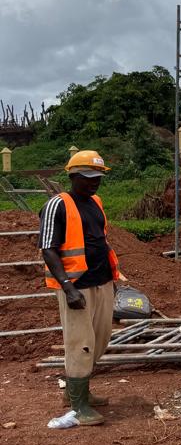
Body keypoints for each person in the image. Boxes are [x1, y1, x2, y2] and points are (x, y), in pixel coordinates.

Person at [39, 150, 121, 426]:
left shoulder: (96, 202)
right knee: (80, 344)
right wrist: (67, 287)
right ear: (73, 176)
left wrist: (112, 280)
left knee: (100, 339)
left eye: (97, 177)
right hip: (76, 286)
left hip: (101, 281)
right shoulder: (57, 205)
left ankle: (80, 391)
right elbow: (48, 249)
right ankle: (78, 406)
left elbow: (101, 241)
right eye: (87, 177)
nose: (94, 182)